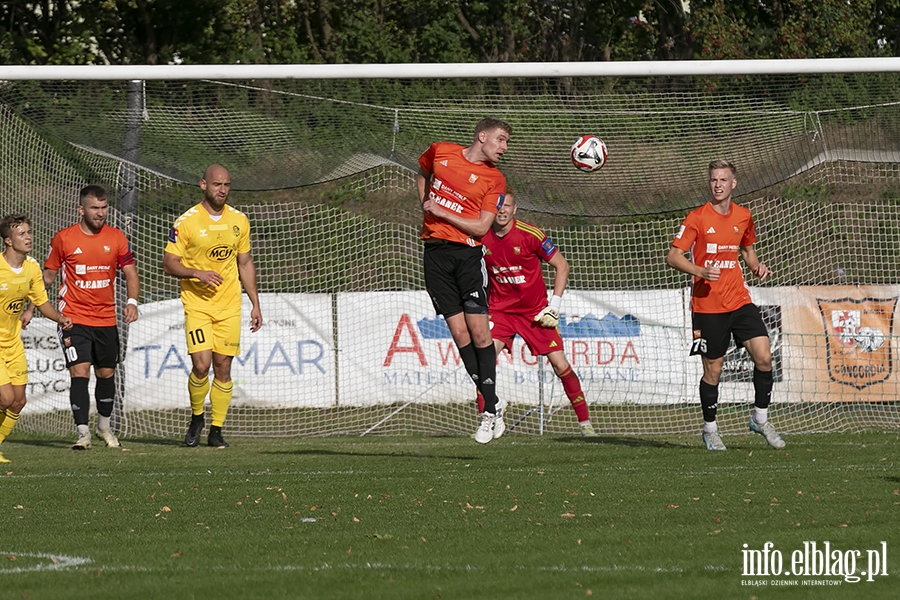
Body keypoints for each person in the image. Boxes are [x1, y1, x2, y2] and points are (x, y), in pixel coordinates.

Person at [666, 159, 785, 451]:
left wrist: (756, 266)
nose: (717, 184)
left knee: (765, 358)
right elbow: (673, 256)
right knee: (714, 371)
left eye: (722, 180)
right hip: (708, 304)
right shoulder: (697, 217)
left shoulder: (744, 215)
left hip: (739, 300)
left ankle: (759, 418)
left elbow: (746, 249)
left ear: (733, 183)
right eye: (713, 180)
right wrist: (700, 271)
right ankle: (710, 429)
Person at [477, 191, 599, 438]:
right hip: (500, 311)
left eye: (507, 206)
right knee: (483, 363)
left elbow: (562, 266)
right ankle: (488, 420)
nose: (501, 211)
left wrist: (554, 305)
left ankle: (585, 424)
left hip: (534, 313)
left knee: (560, 364)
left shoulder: (531, 235)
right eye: (497, 206)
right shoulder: (481, 235)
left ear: (515, 209)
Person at [418, 117, 510, 444]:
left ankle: (487, 412)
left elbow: (482, 228)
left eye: (506, 143)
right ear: (481, 136)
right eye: (500, 140)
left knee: (480, 334)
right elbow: (423, 171)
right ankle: (494, 405)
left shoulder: (495, 179)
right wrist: (424, 205)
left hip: (469, 257)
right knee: (458, 333)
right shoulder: (441, 152)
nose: (503, 147)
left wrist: (440, 212)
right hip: (435, 254)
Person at [163, 164, 262, 448]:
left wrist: (255, 303)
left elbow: (244, 262)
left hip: (230, 306)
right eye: (217, 184)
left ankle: (216, 429)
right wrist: (197, 273)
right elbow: (169, 263)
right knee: (201, 365)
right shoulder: (186, 222)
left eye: (227, 185)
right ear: (203, 185)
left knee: (222, 368)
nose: (222, 190)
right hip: (197, 305)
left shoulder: (239, 220)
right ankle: (196, 417)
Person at [43, 185, 140, 450]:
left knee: (106, 374)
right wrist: (32, 306)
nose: (100, 213)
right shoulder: (64, 238)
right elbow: (48, 277)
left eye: (104, 207)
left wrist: (132, 302)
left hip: (106, 319)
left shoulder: (117, 237)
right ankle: (82, 433)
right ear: (81, 209)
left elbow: (131, 273)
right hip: (74, 318)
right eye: (95, 208)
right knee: (80, 372)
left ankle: (104, 429)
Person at [0, 215, 73, 462]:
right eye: (22, 234)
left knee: (18, 402)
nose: (28, 237)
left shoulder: (32, 267)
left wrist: (60, 318)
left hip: (13, 343)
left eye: (29, 232)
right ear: (8, 241)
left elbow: (42, 303)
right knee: (6, 398)